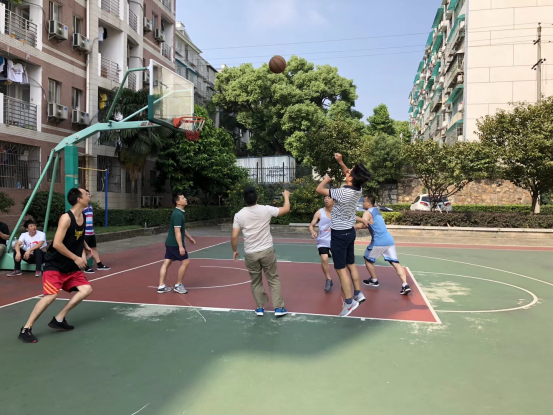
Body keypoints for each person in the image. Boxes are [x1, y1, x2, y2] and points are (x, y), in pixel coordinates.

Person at [18, 188, 93, 344]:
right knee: (51, 296)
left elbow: (78, 237)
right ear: (79, 199)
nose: (89, 195)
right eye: (86, 194)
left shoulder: (84, 216)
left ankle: (59, 319)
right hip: (55, 264)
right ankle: (26, 329)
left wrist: (85, 247)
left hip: (70, 265)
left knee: (86, 289)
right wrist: (76, 258)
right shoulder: (66, 218)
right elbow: (57, 244)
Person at [316, 153, 372, 317]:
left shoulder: (341, 193)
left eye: (350, 171)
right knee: (351, 264)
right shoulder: (358, 189)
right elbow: (347, 172)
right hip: (349, 233)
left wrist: (326, 179)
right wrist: (340, 162)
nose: (348, 171)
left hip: (339, 235)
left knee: (340, 269)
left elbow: (319, 190)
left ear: (351, 178)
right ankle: (358, 293)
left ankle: (349, 303)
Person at [231, 187, 290, 317]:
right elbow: (286, 209)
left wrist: (234, 250)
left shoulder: (239, 215)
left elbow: (234, 236)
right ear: (257, 197)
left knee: (255, 281)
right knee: (273, 279)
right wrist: (286, 196)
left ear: (244, 199)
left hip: (250, 253)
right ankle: (278, 308)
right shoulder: (266, 209)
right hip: (266, 250)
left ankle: (260, 308)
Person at [355, 195, 411, 295]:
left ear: (369, 203)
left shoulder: (367, 212)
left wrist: (350, 225)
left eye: (364, 201)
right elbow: (368, 225)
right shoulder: (376, 210)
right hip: (389, 240)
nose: (363, 203)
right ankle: (405, 285)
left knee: (367, 259)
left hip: (379, 241)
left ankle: (374, 280)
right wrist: (356, 227)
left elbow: (363, 223)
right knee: (395, 263)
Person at [157, 192, 196, 294]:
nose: (185, 199)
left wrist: (189, 238)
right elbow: (177, 231)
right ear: (178, 202)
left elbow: (182, 229)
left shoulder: (179, 212)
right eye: (183, 198)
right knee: (186, 262)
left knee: (166, 263)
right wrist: (180, 247)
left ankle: (161, 286)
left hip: (170, 242)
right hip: (174, 244)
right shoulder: (178, 214)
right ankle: (178, 285)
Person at [309, 195, 335, 292]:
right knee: (324, 259)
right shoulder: (319, 212)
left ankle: (343, 279)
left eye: (329, 198)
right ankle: (328, 279)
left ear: (334, 200)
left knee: (339, 261)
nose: (326, 199)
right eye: (325, 198)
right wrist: (312, 232)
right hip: (322, 241)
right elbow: (311, 225)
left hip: (335, 240)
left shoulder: (337, 211)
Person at [83, 190, 110, 273]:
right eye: (87, 194)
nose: (89, 195)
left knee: (93, 248)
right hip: (84, 233)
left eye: (89, 194)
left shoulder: (90, 207)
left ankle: (99, 264)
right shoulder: (81, 208)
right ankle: (86, 267)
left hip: (91, 232)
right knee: (83, 250)